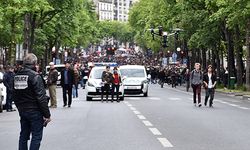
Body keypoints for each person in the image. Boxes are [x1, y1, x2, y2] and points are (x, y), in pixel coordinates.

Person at [13, 53, 51, 150]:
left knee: (23, 136)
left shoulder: (16, 76)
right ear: (34, 63)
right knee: (36, 136)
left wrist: (20, 109)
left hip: (23, 111)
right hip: (35, 111)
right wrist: (47, 115)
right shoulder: (35, 76)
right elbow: (41, 97)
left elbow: (14, 95)